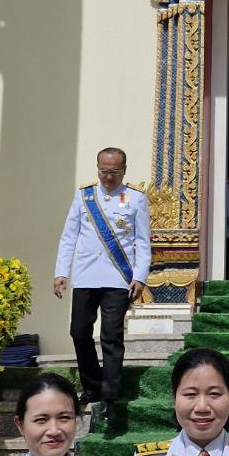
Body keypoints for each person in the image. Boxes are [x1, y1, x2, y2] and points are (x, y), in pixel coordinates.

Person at [52, 146, 151, 436]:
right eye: (103, 171)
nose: (108, 177)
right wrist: (61, 272)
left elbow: (142, 242)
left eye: (114, 172)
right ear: (97, 168)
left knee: (111, 336)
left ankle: (109, 395)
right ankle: (91, 386)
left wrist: (140, 277)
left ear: (124, 170)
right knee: (79, 332)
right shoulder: (84, 196)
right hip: (85, 276)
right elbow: (69, 235)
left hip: (118, 278)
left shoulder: (135, 198)